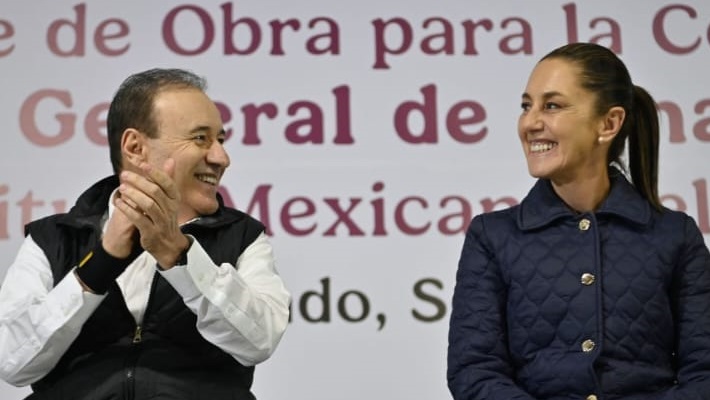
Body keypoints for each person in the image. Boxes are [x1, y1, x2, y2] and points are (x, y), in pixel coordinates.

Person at [0, 68, 291, 399]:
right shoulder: (54, 238)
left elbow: (258, 341)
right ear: (135, 147)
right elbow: (12, 362)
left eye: (220, 140)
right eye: (201, 138)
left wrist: (179, 254)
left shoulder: (243, 237)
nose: (221, 158)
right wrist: (99, 265)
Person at [447, 42, 710, 400]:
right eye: (526, 106)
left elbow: (704, 372)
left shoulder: (675, 235)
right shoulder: (492, 236)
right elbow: (474, 372)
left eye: (552, 106)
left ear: (609, 123)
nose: (530, 122)